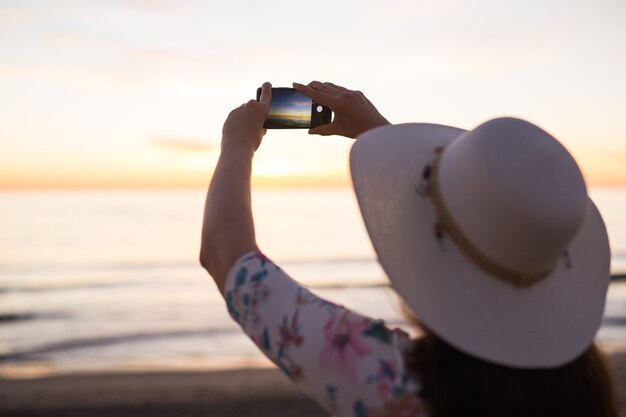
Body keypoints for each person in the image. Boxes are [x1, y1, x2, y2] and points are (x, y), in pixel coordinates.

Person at [199, 81, 619, 417]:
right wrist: (380, 134)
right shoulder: (589, 390)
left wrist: (238, 143)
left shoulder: (391, 382)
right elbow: (230, 258)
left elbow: (225, 255)